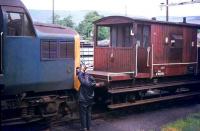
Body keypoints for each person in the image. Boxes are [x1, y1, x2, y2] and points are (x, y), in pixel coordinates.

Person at [76, 65, 97, 131]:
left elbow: (80, 77)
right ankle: (89, 127)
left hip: (83, 99)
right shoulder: (92, 79)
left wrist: (81, 70)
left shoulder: (84, 81)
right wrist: (82, 70)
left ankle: (84, 128)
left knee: (83, 114)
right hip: (90, 99)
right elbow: (81, 76)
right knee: (89, 113)